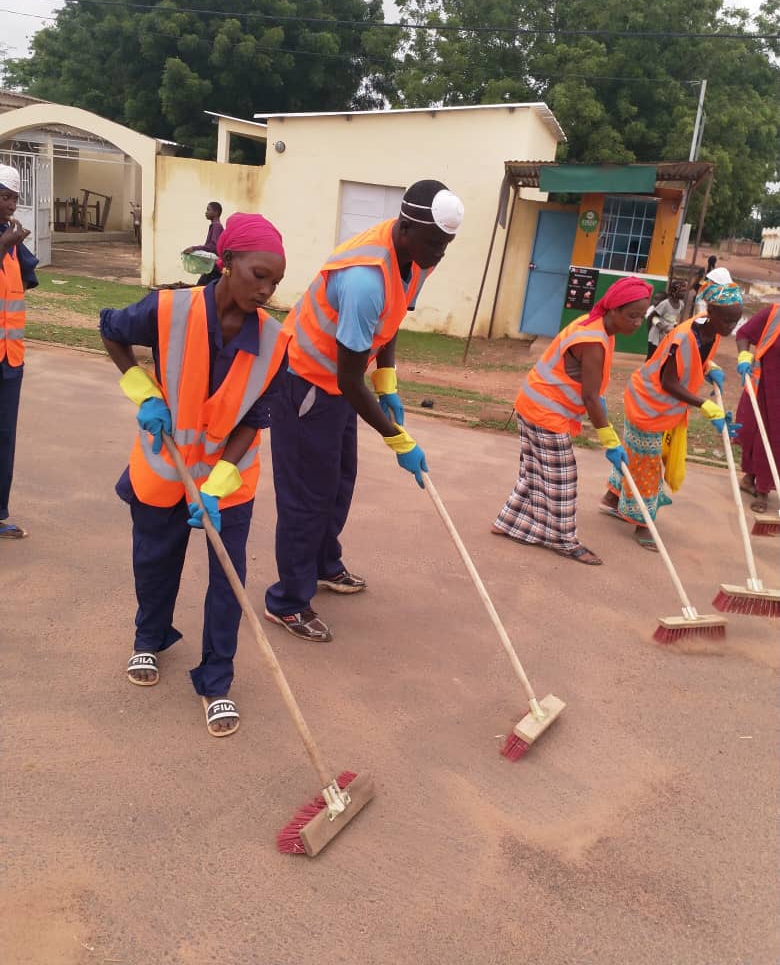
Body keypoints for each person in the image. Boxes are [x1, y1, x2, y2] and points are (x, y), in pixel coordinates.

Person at [100, 213, 289, 737]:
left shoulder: (276, 342)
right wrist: (142, 389)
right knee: (155, 561)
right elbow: (110, 330)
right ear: (226, 264)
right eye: (259, 274)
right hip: (165, 467)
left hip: (228, 481)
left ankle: (216, 680)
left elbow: (255, 420)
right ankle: (150, 638)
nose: (268, 290)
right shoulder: (168, 308)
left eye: (276, 281)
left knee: (228, 582)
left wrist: (218, 482)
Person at [263, 179, 464, 642]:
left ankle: (322, 565)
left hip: (339, 386)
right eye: (434, 243)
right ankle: (288, 601)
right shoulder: (363, 280)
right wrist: (397, 437)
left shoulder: (414, 257)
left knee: (339, 483)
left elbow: (389, 321)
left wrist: (388, 381)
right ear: (406, 225)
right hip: (308, 382)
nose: (438, 255)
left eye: (446, 246)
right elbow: (347, 378)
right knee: (307, 500)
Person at [492, 277, 652, 566]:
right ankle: (564, 541)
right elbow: (590, 398)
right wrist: (610, 441)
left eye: (642, 316)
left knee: (534, 472)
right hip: (546, 412)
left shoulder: (596, 326)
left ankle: (509, 522)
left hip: (533, 405)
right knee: (562, 479)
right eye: (632, 316)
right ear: (613, 310)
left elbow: (591, 389)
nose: (637, 323)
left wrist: (603, 415)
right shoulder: (592, 340)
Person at [601, 280, 743, 548]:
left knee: (637, 456)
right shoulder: (684, 336)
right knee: (648, 465)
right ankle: (642, 524)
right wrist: (704, 404)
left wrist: (709, 366)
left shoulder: (708, 329)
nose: (731, 327)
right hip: (649, 404)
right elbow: (669, 382)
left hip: (661, 407)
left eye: (735, 322)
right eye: (727, 320)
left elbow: (693, 360)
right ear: (710, 312)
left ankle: (611, 499)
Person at [0, 164, 39, 540]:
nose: (10, 204)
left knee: (5, 437)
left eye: (13, 197)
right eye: (4, 196)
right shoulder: (6, 242)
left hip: (11, 358)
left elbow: (26, 281)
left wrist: (12, 245)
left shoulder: (13, 241)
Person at [735, 303, 780, 514]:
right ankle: (757, 483)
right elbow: (744, 333)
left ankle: (759, 485)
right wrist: (744, 357)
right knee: (758, 435)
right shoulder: (773, 313)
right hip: (764, 387)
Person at [646, 280, 686, 359]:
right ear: (675, 291)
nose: (684, 293)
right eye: (682, 291)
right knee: (651, 357)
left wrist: (674, 326)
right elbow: (653, 316)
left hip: (667, 335)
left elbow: (672, 318)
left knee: (662, 358)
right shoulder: (665, 303)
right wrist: (660, 327)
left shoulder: (681, 304)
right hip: (656, 335)